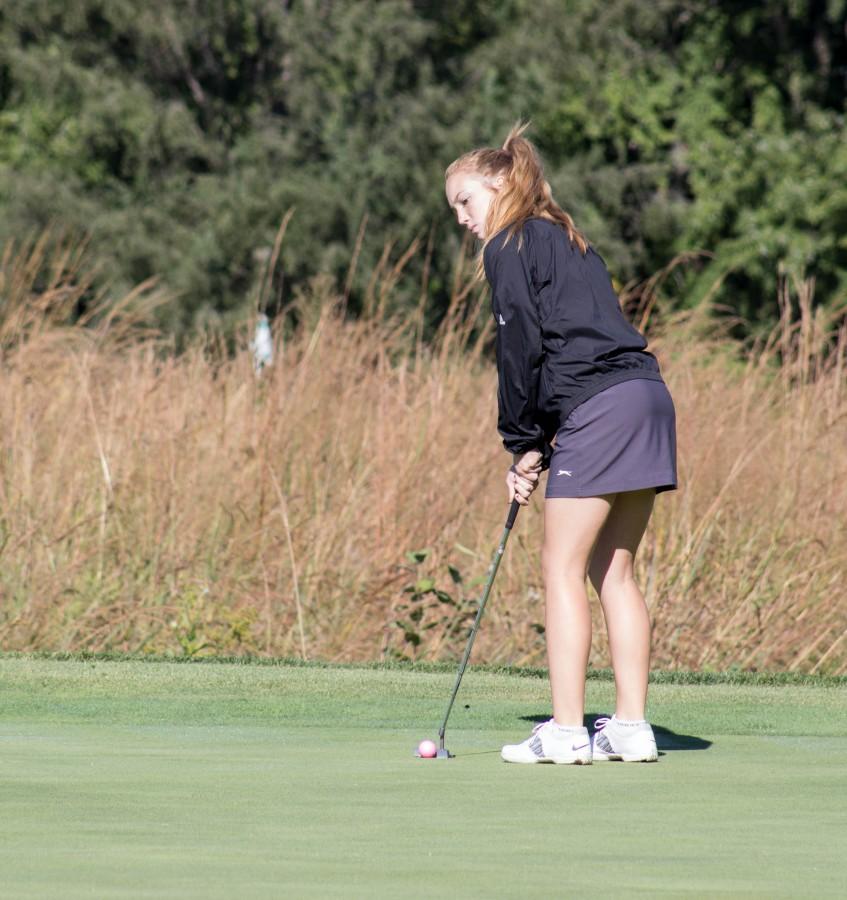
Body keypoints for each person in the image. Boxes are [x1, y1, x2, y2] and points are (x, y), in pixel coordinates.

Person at [444, 123, 677, 764]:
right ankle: (630, 728)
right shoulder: (569, 238)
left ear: (497, 184)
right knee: (614, 572)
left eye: (464, 202)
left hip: (600, 409)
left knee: (560, 567)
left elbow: (521, 345)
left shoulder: (509, 242)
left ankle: (570, 731)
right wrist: (541, 443)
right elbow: (571, 344)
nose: (463, 220)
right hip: (647, 398)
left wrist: (521, 442)